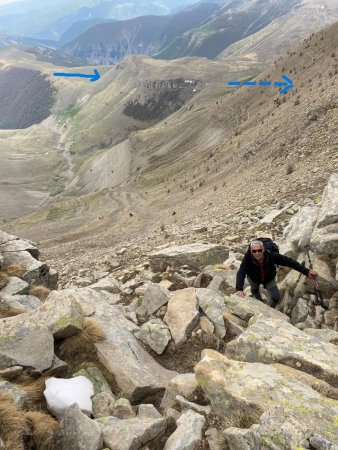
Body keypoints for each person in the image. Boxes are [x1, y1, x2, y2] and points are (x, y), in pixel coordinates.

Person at [235, 240, 318, 308]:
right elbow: (241, 273)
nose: (257, 253)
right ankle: (258, 301)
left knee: (275, 297)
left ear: (263, 250)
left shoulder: (272, 255)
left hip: (269, 279)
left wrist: (306, 271)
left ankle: (267, 310)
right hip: (254, 278)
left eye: (259, 250)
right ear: (251, 252)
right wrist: (239, 289)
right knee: (255, 290)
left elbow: (290, 262)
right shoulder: (247, 259)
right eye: (254, 251)